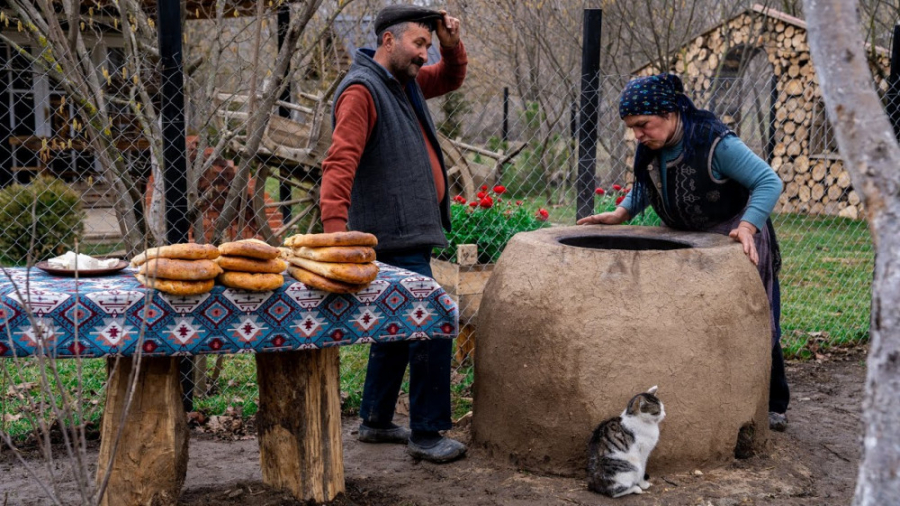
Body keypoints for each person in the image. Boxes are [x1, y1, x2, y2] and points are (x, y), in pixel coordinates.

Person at [576, 73, 791, 431]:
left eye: (643, 125)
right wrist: (622, 212)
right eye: (632, 128)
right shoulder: (654, 147)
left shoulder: (713, 142)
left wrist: (750, 226)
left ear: (671, 111)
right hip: (689, 239)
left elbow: (768, 181)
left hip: (735, 236)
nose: (638, 135)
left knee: (756, 318)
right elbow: (649, 183)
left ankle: (772, 403)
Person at [319, 4, 468, 462]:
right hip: (389, 236)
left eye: (428, 45)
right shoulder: (362, 91)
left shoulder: (404, 83)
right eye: (418, 44)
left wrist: (449, 43)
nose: (425, 54)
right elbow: (339, 164)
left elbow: (450, 78)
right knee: (432, 325)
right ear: (388, 40)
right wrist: (334, 240)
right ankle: (426, 434)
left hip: (407, 232)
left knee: (398, 329)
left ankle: (376, 421)